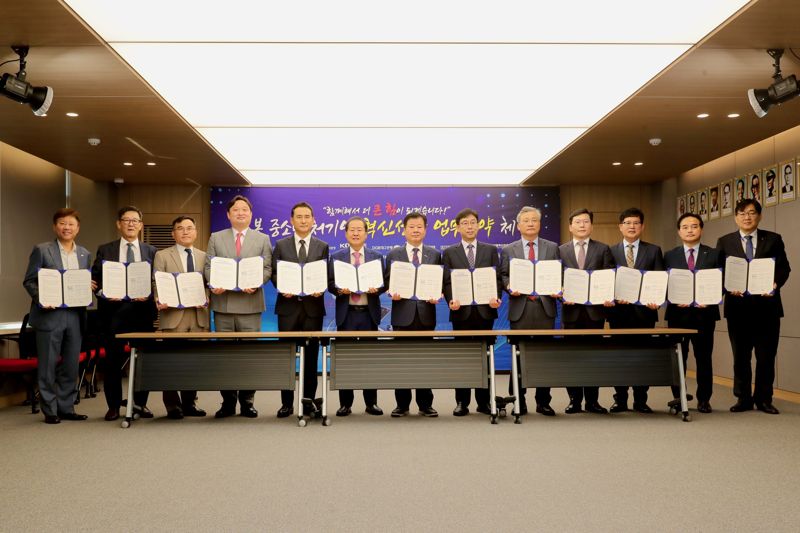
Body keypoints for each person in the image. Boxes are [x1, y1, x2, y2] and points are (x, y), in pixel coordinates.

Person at [716, 199, 791, 414]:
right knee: (741, 356)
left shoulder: (774, 239)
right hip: (738, 308)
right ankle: (743, 398)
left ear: (759, 216)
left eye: (751, 213)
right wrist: (727, 287)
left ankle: (764, 399)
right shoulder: (725, 241)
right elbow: (718, 272)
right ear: (735, 217)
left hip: (767, 307)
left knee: (766, 356)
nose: (747, 217)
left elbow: (784, 268)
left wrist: (776, 284)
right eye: (742, 213)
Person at [22, 208, 94, 424]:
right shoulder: (42, 250)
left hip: (75, 315)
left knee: (71, 364)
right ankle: (50, 410)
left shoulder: (84, 254)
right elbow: (29, 281)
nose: (67, 227)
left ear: (78, 228)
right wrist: (42, 298)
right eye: (62, 223)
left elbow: (82, 281)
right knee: (48, 364)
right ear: (55, 227)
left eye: (71, 224)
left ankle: (66, 407)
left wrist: (87, 286)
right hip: (49, 314)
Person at [205, 195, 272, 419]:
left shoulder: (262, 238)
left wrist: (256, 282)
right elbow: (208, 266)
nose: (240, 213)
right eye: (236, 210)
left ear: (251, 214)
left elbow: (267, 268)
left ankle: (247, 402)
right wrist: (214, 282)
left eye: (245, 209)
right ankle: (227, 402)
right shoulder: (216, 237)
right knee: (225, 356)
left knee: (248, 355)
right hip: (223, 305)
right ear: (228, 214)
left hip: (250, 304)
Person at [92, 206, 157, 421]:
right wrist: (103, 293)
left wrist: (149, 295)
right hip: (112, 313)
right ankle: (113, 407)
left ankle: (139, 404)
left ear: (141, 225)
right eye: (126, 220)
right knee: (112, 361)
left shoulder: (152, 251)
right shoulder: (105, 249)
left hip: (142, 313)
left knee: (143, 361)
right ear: (118, 224)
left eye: (135, 220)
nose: (131, 224)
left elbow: (158, 282)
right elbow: (95, 281)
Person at [499, 206, 560, 416]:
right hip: (520, 308)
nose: (531, 223)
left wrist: (558, 287)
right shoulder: (509, 249)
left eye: (534, 220)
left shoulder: (552, 247)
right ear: (518, 225)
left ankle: (543, 401)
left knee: (544, 357)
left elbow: (558, 273)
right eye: (526, 221)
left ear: (540, 224)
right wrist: (509, 287)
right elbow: (503, 275)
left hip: (545, 308)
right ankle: (518, 399)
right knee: (518, 356)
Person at [443, 208, 501, 417]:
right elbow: (447, 281)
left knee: (485, 357)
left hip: (485, 312)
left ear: (479, 226)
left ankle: (484, 402)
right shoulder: (449, 252)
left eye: (473, 222)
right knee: (463, 358)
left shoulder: (490, 250)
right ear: (458, 227)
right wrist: (451, 299)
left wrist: (497, 298)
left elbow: (497, 279)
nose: (469, 226)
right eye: (465, 223)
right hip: (461, 313)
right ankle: (462, 402)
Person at [271, 201, 328, 418]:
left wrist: (319, 289)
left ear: (313, 220)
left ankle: (309, 402)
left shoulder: (322, 246)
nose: (303, 220)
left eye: (307, 217)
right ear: (291, 220)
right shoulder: (281, 245)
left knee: (311, 357)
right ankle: (286, 404)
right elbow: (275, 273)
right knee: (285, 357)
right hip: (288, 308)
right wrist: (282, 287)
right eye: (299, 217)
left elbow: (324, 273)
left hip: (313, 309)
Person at [385, 211, 442, 417]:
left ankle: (425, 403)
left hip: (426, 314)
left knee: (425, 359)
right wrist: (392, 292)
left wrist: (438, 295)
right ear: (404, 230)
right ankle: (402, 404)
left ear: (425, 230)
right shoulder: (394, 254)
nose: (416, 230)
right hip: (402, 315)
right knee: (402, 359)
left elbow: (438, 282)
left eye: (420, 227)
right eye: (411, 227)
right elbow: (387, 283)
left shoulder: (434, 254)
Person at [559, 208, 616, 414]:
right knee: (572, 357)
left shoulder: (603, 249)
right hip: (571, 312)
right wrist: (561, 291)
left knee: (593, 356)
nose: (582, 225)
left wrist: (609, 295)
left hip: (594, 313)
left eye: (586, 222)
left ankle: (593, 401)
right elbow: (556, 278)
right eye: (578, 222)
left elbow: (610, 276)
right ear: (570, 226)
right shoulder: (561, 250)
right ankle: (574, 400)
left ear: (591, 225)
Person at [664, 213, 722, 413]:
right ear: (679, 231)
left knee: (704, 358)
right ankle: (679, 397)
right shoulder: (669, 255)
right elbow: (663, 283)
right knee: (678, 357)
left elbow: (721, 283)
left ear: (701, 229)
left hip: (704, 315)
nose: (690, 230)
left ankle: (704, 399)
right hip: (677, 315)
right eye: (686, 227)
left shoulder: (714, 254)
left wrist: (712, 298)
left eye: (694, 226)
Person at [608, 207, 664, 414]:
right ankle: (620, 399)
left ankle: (641, 400)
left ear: (642, 226)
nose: (632, 227)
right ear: (620, 226)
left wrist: (656, 300)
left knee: (643, 356)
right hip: (618, 314)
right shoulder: (610, 251)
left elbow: (659, 279)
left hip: (645, 314)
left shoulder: (654, 250)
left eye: (636, 223)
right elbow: (606, 281)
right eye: (628, 223)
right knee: (620, 357)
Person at [327, 216, 385, 416]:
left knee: (371, 360)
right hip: (347, 314)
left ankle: (371, 403)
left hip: (369, 315)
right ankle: (346, 404)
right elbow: (330, 283)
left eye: (360, 229)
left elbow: (383, 284)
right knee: (346, 359)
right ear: (346, 233)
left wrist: (375, 288)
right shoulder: (336, 257)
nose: (356, 233)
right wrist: (339, 290)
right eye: (352, 230)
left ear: (366, 233)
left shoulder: (376, 256)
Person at [153, 216, 209, 420]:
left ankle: (190, 403)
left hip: (198, 316)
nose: (185, 232)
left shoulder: (205, 256)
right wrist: (159, 298)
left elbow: (209, 284)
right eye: (180, 228)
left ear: (196, 232)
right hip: (173, 315)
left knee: (194, 362)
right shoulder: (162, 255)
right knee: (171, 361)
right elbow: (156, 282)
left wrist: (207, 298)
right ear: (173, 233)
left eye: (189, 228)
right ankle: (172, 406)